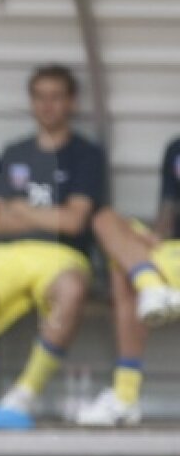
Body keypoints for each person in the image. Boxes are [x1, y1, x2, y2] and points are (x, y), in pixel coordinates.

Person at [0, 64, 107, 429]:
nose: (48, 106)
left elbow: (75, 222)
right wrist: (46, 214)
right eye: (40, 97)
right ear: (31, 102)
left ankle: (24, 394)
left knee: (73, 288)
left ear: (71, 102)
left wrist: (23, 210)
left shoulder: (86, 155)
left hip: (61, 254)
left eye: (56, 97)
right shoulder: (15, 152)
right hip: (7, 254)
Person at [74, 137, 180, 425]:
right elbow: (168, 214)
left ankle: (125, 395)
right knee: (105, 219)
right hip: (173, 252)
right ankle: (151, 285)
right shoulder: (175, 148)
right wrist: (153, 237)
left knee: (122, 271)